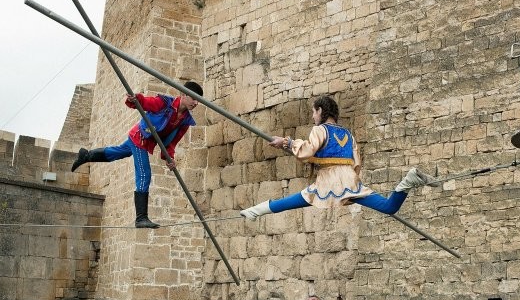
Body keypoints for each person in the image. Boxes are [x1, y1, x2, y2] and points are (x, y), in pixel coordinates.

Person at [239, 95, 439, 221]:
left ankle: (255, 211)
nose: (312, 117)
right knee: (389, 207)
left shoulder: (320, 130)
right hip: (350, 180)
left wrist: (288, 143)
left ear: (320, 111)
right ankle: (408, 181)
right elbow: (356, 163)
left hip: (329, 180)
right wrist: (351, 185)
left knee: (298, 199)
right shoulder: (347, 134)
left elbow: (307, 151)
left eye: (313, 112)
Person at [71, 81, 203, 228]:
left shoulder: (185, 121)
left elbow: (172, 142)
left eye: (198, 100)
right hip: (139, 138)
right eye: (194, 98)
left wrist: (168, 157)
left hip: (145, 141)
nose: (196, 103)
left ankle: (86, 156)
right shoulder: (164, 103)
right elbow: (146, 102)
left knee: (118, 152)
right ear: (183, 94)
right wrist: (136, 99)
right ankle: (141, 218)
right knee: (144, 173)